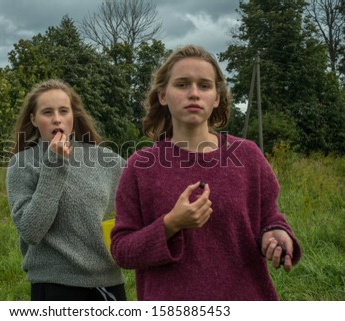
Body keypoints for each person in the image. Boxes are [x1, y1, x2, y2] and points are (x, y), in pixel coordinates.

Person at [110, 45, 302, 301]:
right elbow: (122, 251)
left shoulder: (248, 156)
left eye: (204, 85)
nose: (193, 93)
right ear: (162, 96)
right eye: (181, 84)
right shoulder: (140, 166)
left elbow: (270, 217)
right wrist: (171, 224)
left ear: (217, 97)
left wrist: (276, 234)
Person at [6, 79, 126, 301]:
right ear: (33, 119)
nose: (56, 119)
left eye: (63, 111)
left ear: (73, 116)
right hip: (54, 285)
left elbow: (141, 194)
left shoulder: (103, 159)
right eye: (47, 112)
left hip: (109, 283)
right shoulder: (22, 165)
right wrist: (54, 163)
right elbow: (32, 230)